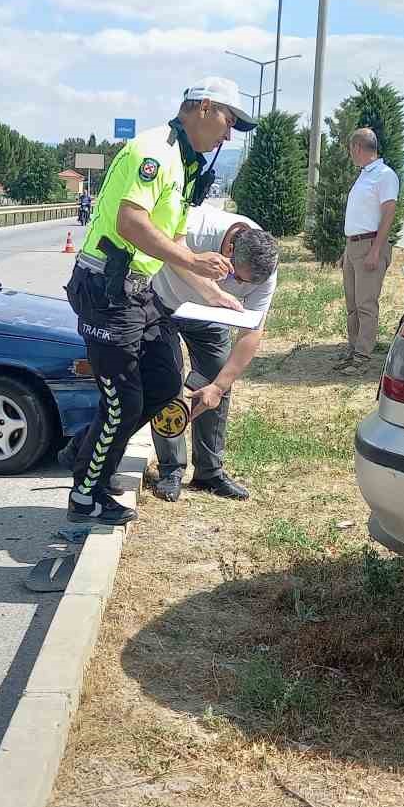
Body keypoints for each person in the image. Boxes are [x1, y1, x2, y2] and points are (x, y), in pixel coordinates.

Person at [62, 77, 251, 525]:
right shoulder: (156, 152)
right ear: (203, 107)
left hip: (137, 293)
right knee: (122, 402)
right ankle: (85, 495)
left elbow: (177, 247)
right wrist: (191, 259)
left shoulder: (184, 166)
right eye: (228, 121)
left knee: (165, 388)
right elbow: (131, 222)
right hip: (106, 290)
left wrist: (215, 295)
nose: (228, 135)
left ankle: (86, 454)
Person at [149, 205, 279, 502]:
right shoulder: (197, 227)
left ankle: (209, 471)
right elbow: (166, 250)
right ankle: (171, 469)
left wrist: (219, 386)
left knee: (220, 376)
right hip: (163, 304)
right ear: (230, 248)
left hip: (209, 317)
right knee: (167, 382)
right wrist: (212, 291)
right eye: (240, 279)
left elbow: (252, 331)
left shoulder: (265, 268)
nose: (242, 287)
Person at [338, 127, 401, 376]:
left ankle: (363, 355)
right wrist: (347, 249)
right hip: (354, 245)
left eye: (350, 149)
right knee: (352, 304)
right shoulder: (364, 175)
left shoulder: (384, 175)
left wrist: (375, 250)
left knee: (366, 304)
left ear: (357, 147)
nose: (350, 155)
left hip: (370, 245)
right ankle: (353, 350)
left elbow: (388, 212)